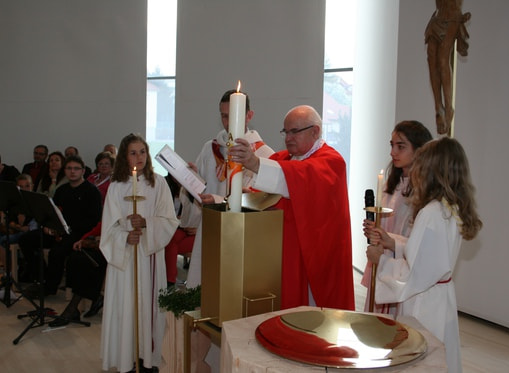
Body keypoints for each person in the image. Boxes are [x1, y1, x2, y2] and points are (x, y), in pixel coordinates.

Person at [366, 136, 482, 373]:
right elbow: (430, 253)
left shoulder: (430, 213)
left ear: (430, 171)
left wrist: (382, 260)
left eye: (420, 165)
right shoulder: (449, 206)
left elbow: (413, 275)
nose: (415, 171)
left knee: (422, 358)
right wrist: (394, 242)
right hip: (440, 296)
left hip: (423, 302)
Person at [230, 105, 354, 311]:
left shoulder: (332, 161)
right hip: (286, 252)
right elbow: (273, 193)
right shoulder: (283, 159)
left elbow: (300, 177)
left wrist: (255, 163)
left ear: (315, 131)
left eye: (294, 131)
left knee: (313, 319)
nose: (288, 138)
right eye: (285, 132)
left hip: (316, 255)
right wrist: (250, 196)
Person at [100, 133, 178, 373]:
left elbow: (169, 220)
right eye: (133, 152)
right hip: (124, 260)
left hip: (148, 257)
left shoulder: (158, 183)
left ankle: (148, 359)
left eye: (142, 151)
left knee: (150, 305)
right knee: (126, 308)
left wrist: (146, 224)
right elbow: (108, 228)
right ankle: (126, 359)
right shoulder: (115, 187)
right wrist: (125, 236)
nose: (139, 157)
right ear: (124, 156)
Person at [185, 89, 274, 287]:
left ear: (249, 115)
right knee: (206, 286)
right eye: (224, 116)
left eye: (232, 115)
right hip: (211, 229)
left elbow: (261, 201)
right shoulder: (211, 148)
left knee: (233, 288)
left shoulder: (263, 154)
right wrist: (191, 177)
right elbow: (202, 185)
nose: (227, 122)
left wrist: (219, 201)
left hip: (241, 235)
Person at [362, 120, 432, 315]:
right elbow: (384, 224)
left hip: (401, 266)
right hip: (384, 258)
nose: (393, 152)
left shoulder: (425, 192)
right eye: (392, 145)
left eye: (401, 146)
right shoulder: (392, 185)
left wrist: (391, 242)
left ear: (419, 150)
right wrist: (373, 228)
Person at [21, 155, 102, 295]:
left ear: (83, 171)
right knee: (26, 240)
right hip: (58, 230)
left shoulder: (92, 191)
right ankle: (41, 277)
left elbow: (93, 220)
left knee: (56, 252)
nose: (72, 172)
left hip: (79, 233)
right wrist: (48, 226)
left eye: (76, 169)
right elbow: (53, 212)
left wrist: (65, 231)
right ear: (64, 171)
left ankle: (50, 287)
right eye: (69, 168)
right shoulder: (62, 190)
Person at [47, 221, 107, 327]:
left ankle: (72, 308)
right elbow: (100, 226)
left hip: (114, 249)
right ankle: (91, 300)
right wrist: (82, 239)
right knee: (74, 258)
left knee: (85, 262)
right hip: (102, 245)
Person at [425, 0, 471, 134]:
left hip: (452, 15)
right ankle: (438, 106)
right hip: (438, 15)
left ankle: (449, 108)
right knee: (431, 58)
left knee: (443, 58)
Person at [0, 174, 38, 269]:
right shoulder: (15, 201)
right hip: (15, 229)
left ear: (32, 186)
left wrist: (23, 226)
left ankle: (12, 268)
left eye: (27, 186)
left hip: (28, 232)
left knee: (1, 242)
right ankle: (9, 265)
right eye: (21, 187)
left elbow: (34, 224)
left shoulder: (35, 201)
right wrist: (13, 224)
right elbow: (10, 219)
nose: (24, 189)